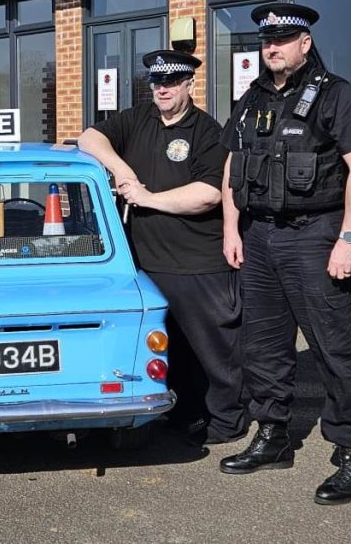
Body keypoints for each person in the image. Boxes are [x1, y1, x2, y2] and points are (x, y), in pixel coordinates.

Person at [219, 3, 351, 505]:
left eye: (283, 40)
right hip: (259, 235)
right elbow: (231, 167)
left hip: (316, 235)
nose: (273, 47)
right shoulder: (252, 97)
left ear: (304, 43)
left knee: (333, 348)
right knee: (263, 346)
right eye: (267, 40)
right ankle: (273, 436)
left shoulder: (335, 95)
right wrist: (231, 229)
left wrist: (348, 239)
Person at [78, 50, 245, 446]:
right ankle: (182, 414)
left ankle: (227, 420)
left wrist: (145, 197)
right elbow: (89, 137)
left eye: (171, 82)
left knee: (213, 350)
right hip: (145, 262)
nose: (162, 89)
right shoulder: (140, 118)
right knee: (170, 347)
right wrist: (120, 168)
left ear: (189, 84)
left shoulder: (207, 131)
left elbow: (206, 195)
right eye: (156, 82)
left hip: (196, 261)